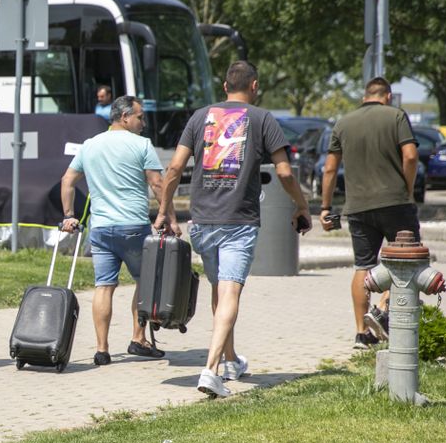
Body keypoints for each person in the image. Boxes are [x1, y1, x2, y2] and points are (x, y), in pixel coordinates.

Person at [155, 60, 311, 398]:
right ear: (254, 86)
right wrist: (301, 205)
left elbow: (174, 169)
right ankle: (211, 371)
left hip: (201, 222)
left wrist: (165, 210)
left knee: (219, 288)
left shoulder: (199, 117)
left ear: (225, 86)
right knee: (230, 292)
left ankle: (230, 360)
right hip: (238, 222)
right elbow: (284, 172)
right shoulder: (263, 118)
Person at [59, 95, 165, 366]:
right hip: (133, 227)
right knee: (145, 280)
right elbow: (157, 184)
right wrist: (167, 215)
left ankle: (102, 349)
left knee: (104, 287)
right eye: (140, 117)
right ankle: (138, 339)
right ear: (125, 117)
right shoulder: (142, 144)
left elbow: (68, 180)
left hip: (102, 228)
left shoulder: (90, 145)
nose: (143, 123)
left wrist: (69, 216)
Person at [319, 77, 420, 349]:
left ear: (365, 96)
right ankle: (384, 309)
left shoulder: (343, 123)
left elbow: (329, 169)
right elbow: (410, 156)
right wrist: (407, 189)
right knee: (404, 261)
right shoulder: (396, 116)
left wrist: (326, 208)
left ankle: (362, 333)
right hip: (395, 203)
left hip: (357, 207)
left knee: (363, 265)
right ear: (387, 96)